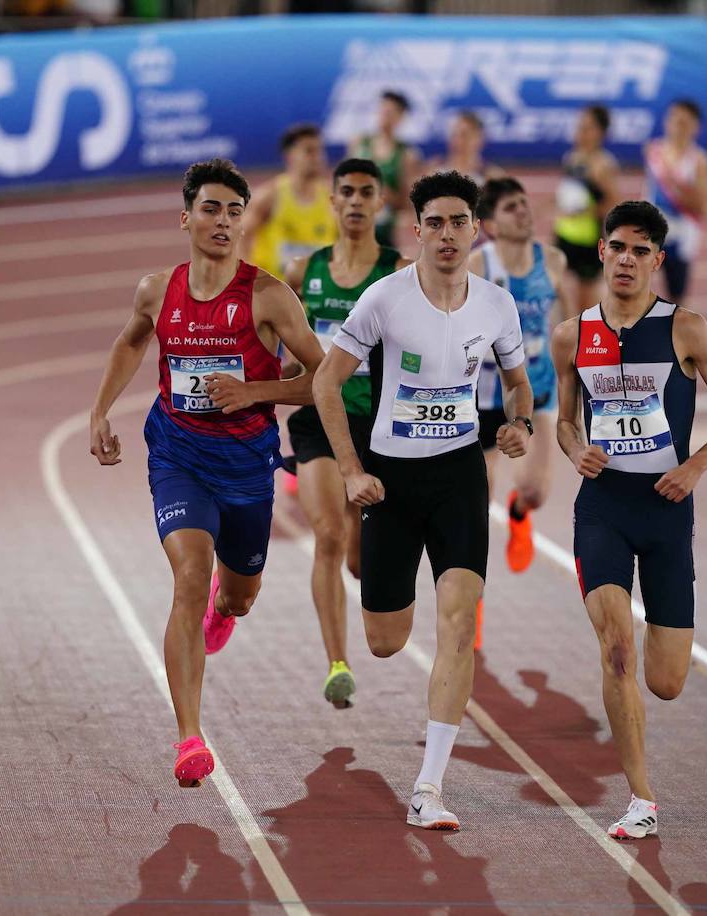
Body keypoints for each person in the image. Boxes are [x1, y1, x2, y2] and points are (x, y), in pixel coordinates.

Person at [88, 159, 325, 789]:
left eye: (234, 211)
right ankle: (189, 736)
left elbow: (324, 380)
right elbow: (132, 340)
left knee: (236, 593)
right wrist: (100, 411)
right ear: (186, 217)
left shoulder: (269, 297)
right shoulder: (155, 290)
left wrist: (254, 390)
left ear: (244, 221)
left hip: (247, 468)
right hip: (178, 456)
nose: (223, 221)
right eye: (212, 209)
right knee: (188, 576)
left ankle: (229, 605)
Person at [313, 170, 533, 831]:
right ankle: (369, 562)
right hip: (392, 482)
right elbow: (326, 384)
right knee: (385, 640)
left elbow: (520, 386)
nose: (445, 234)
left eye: (457, 222)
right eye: (432, 223)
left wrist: (518, 423)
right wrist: (351, 472)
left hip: (461, 478)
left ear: (475, 229)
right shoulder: (384, 300)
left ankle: (430, 787)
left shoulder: (497, 303)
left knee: (460, 626)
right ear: (416, 232)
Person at [549, 200, 707, 840]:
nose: (628, 259)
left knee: (664, 680)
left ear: (657, 261)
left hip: (667, 511)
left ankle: (646, 725)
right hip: (603, 509)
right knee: (616, 651)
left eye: (642, 250)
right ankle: (641, 798)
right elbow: (562, 419)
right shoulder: (570, 335)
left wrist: (694, 469)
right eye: (618, 247)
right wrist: (573, 445)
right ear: (603, 253)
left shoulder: (686, 329)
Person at [281, 158, 411, 709]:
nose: (356, 202)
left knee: (360, 559)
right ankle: (337, 663)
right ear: (331, 202)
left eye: (366, 193)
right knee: (328, 537)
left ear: (380, 204)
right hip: (317, 420)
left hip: (376, 428)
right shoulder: (301, 272)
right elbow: (281, 356)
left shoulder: (399, 271)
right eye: (347, 193)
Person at [469, 177, 574, 603]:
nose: (524, 212)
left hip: (536, 388)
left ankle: (518, 513)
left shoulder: (552, 260)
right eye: (512, 207)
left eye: (525, 204)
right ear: (491, 223)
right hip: (484, 394)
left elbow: (563, 317)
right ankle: (470, 610)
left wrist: (575, 363)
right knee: (477, 508)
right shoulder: (478, 267)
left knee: (535, 492)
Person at [642, 100, 707, 308]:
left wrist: (677, 189)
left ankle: (675, 337)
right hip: (651, 232)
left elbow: (704, 207)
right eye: (673, 119)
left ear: (695, 127)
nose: (677, 126)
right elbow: (648, 188)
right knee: (637, 284)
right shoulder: (653, 151)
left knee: (677, 297)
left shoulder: (699, 161)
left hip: (681, 237)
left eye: (683, 122)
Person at [242, 123, 336, 280]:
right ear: (289, 155)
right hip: (275, 293)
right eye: (309, 151)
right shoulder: (270, 196)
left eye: (320, 150)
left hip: (314, 295)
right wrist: (249, 280)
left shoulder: (331, 198)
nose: (317, 157)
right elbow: (240, 236)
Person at [554, 105, 620, 315]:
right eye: (580, 126)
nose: (581, 132)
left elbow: (612, 206)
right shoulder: (572, 157)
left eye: (587, 128)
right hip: (564, 235)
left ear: (600, 133)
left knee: (586, 304)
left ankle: (587, 343)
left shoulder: (603, 165)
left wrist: (583, 213)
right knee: (557, 292)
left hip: (588, 240)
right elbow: (566, 194)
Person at [349, 90, 423, 249]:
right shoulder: (359, 144)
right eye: (382, 110)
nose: (384, 116)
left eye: (390, 112)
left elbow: (407, 202)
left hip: (387, 221)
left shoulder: (406, 155)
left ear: (400, 117)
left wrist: (386, 193)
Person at [426, 110, 505, 187]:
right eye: (454, 135)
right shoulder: (434, 173)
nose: (458, 141)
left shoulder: (493, 177)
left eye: (465, 135)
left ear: (480, 139)